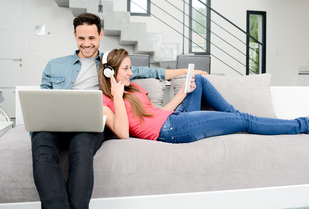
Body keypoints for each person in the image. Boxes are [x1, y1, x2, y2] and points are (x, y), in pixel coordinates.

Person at [32, 13, 207, 209]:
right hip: (56, 122)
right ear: (74, 35)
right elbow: (43, 100)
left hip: (92, 121)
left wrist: (186, 72)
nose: (86, 43)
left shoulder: (109, 65)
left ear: (101, 35)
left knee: (81, 148)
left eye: (92, 38)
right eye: (81, 38)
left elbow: (151, 72)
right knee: (41, 149)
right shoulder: (54, 65)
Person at [100, 48, 309, 144]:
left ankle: (234, 116)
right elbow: (122, 133)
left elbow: (159, 113)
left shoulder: (134, 89)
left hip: (172, 119)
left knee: (199, 82)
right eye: (127, 69)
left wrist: (181, 93)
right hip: (172, 130)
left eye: (131, 68)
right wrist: (117, 96)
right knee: (245, 120)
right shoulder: (106, 101)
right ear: (110, 72)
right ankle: (305, 125)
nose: (132, 73)